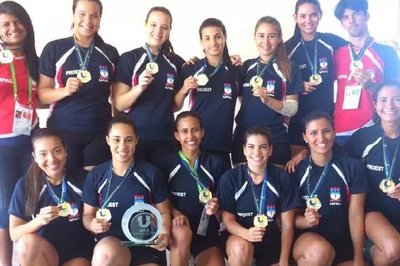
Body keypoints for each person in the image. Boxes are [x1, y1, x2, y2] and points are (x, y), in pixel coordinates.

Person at [38, 0, 119, 171]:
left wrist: (118, 127)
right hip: (63, 129)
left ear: (100, 19)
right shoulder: (55, 48)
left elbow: (116, 96)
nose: (88, 21)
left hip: (99, 130)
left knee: (93, 188)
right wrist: (64, 91)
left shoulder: (110, 52)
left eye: (94, 16)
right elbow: (42, 94)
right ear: (73, 15)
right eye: (82, 14)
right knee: (70, 186)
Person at [82, 114, 171, 266]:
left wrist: (165, 232)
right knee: (104, 256)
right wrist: (92, 224)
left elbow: (163, 211)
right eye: (116, 139)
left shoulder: (151, 173)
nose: (122, 146)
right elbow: (87, 215)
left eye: (128, 140)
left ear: (136, 140)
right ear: (108, 140)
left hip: (145, 244)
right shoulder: (96, 175)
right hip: (113, 244)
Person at [8, 128, 94, 266]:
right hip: (45, 253)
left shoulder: (84, 179)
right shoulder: (26, 184)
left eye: (57, 151)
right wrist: (39, 221)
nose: (51, 159)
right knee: (25, 244)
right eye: (43, 154)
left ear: (65, 150)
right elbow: (15, 234)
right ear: (34, 157)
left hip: (79, 253)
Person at [291, 111, 367, 266]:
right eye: (313, 133)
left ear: (334, 131)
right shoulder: (295, 170)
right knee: (320, 253)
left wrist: (359, 258)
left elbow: (355, 215)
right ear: (305, 137)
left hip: (343, 243)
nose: (321, 138)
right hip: (309, 242)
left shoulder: (353, 167)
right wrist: (307, 222)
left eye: (326, 131)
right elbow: (286, 220)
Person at [218, 126, 301, 266]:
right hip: (240, 236)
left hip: (271, 240)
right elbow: (228, 220)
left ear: (270, 150)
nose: (257, 152)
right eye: (251, 146)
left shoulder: (282, 178)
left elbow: (287, 224)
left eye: (263, 147)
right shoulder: (230, 178)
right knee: (240, 249)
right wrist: (246, 234)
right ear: (244, 150)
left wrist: (284, 260)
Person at [114, 6, 185, 166]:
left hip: (164, 137)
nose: (158, 31)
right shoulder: (129, 59)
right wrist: (139, 87)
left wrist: (230, 60)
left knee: (162, 186)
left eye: (164, 27)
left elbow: (174, 105)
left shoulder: (176, 62)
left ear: (169, 30)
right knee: (137, 187)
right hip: (135, 137)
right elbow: (119, 103)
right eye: (153, 25)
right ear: (145, 24)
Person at [158, 111, 227, 266]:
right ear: (177, 135)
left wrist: (217, 206)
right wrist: (176, 213)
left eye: (195, 130)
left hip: (206, 231)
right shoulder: (166, 165)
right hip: (178, 229)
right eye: (184, 131)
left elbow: (224, 200)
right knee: (181, 234)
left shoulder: (216, 164)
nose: (190, 136)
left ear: (202, 132)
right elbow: (161, 199)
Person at [233, 16, 302, 167]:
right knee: (244, 187)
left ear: (279, 39)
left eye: (271, 36)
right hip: (244, 138)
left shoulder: (289, 68)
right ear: (255, 37)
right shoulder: (245, 67)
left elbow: (292, 109)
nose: (266, 42)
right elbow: (240, 99)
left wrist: (268, 101)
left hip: (276, 139)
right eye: (261, 36)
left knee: (277, 187)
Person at [0, 1, 39, 265]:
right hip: (2, 144)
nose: (13, 28)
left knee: (31, 203)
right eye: (5, 24)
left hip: (30, 141)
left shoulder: (38, 60)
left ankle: (30, 257)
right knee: (4, 207)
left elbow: (44, 96)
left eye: (17, 21)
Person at [345, 81, 400, 265]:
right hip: (372, 212)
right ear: (375, 105)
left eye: (397, 99)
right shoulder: (364, 137)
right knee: (393, 249)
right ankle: (368, 248)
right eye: (383, 100)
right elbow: (333, 156)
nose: (390, 106)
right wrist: (304, 152)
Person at [333, 0, 400, 145]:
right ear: (342, 24)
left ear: (366, 16)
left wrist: (371, 86)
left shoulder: (386, 52)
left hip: (374, 128)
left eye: (356, 14)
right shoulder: (337, 54)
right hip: (341, 130)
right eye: (346, 17)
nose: (351, 20)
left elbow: (396, 94)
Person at [175, 18, 239, 169]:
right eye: (207, 38)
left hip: (222, 145)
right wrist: (184, 88)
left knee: (221, 192)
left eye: (218, 36)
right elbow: (174, 106)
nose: (213, 43)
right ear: (201, 41)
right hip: (195, 145)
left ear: (225, 37)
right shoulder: (190, 69)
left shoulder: (236, 71)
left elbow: (247, 102)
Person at [285, 0, 347, 151]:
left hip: (326, 120)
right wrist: (297, 86)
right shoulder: (287, 48)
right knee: (297, 167)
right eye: (303, 16)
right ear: (295, 17)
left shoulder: (330, 41)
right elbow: (273, 78)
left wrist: (381, 43)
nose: (308, 20)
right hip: (297, 121)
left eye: (313, 15)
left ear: (320, 15)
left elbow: (357, 48)